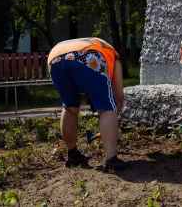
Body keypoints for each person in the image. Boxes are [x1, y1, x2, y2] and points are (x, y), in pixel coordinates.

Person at [48, 37, 130, 172]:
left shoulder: (96, 44)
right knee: (107, 108)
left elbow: (81, 84)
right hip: (88, 55)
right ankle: (111, 161)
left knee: (69, 108)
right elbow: (119, 98)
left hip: (55, 56)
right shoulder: (114, 56)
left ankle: (73, 156)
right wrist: (110, 118)